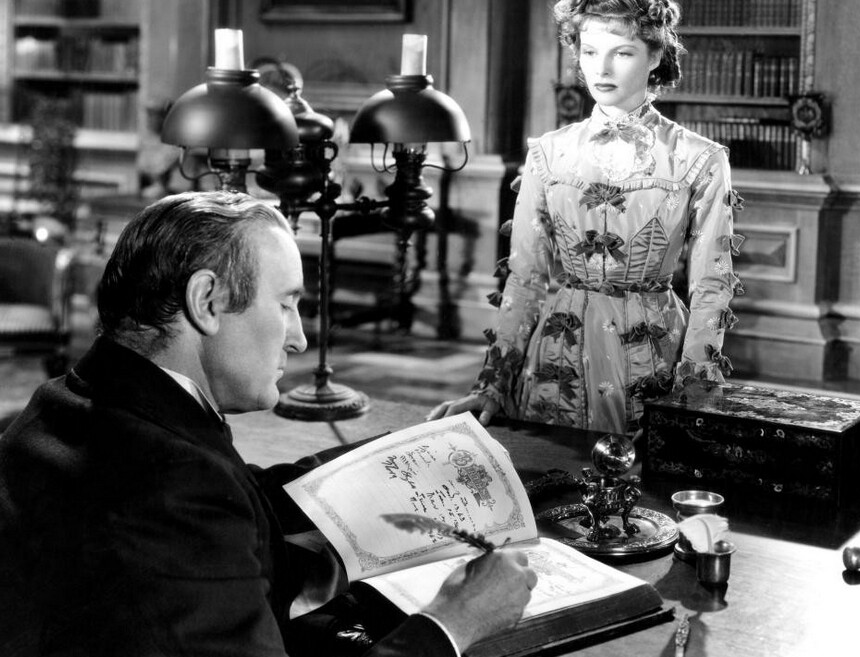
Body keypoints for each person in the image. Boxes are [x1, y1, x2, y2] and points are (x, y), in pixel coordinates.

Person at [0, 191, 536, 656]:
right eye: (285, 305)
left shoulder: (64, 408)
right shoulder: (173, 489)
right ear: (206, 302)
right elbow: (202, 502)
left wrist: (414, 454)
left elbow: (241, 491)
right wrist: (453, 621)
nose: (299, 339)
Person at [429, 0, 742, 435]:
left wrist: (692, 393)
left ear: (655, 56)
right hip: (557, 354)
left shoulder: (700, 158)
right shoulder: (548, 153)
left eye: (623, 52)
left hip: (651, 355)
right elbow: (525, 277)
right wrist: (492, 384)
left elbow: (712, 284)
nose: (602, 67)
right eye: (590, 51)